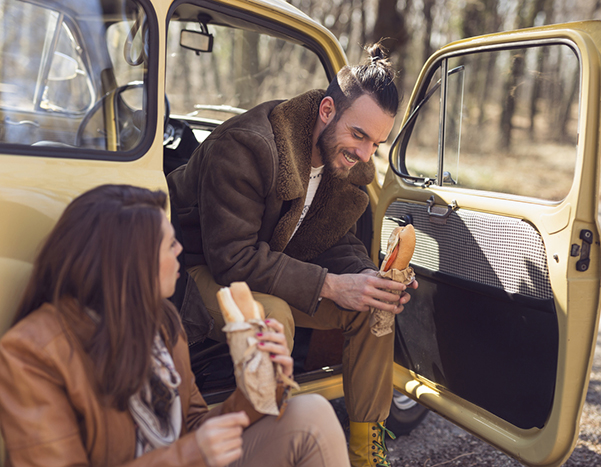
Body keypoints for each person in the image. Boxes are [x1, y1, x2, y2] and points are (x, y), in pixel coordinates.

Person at [167, 43, 418, 467]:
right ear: (325, 111)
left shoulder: (348, 164)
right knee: (273, 316)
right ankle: (272, 445)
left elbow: (329, 239)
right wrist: (332, 286)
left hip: (258, 265)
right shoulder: (249, 146)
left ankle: (365, 450)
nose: (364, 154)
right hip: (191, 269)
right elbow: (232, 259)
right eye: (359, 135)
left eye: (376, 143)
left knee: (374, 308)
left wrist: (366, 278)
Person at [0, 184, 349, 467]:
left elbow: (194, 425)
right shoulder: (30, 354)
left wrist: (263, 385)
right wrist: (191, 454)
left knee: (312, 413)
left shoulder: (161, 324)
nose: (181, 250)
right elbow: (192, 447)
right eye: (170, 244)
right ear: (130, 263)